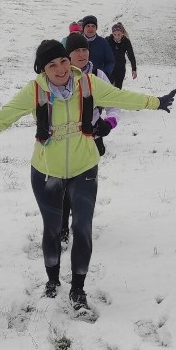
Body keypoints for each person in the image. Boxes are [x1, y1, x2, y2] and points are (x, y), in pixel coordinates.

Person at [0, 40, 176, 313]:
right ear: (42, 69)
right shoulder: (34, 91)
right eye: (52, 65)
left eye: (62, 61)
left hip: (84, 168)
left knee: (82, 228)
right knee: (52, 229)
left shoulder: (89, 83)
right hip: (47, 173)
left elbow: (123, 98)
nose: (60, 68)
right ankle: (52, 281)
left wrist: (157, 102)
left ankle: (78, 290)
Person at [60, 32, 119, 243]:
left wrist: (108, 123)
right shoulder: (59, 77)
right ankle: (62, 228)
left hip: (90, 138)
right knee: (64, 185)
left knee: (84, 185)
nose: (82, 54)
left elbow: (115, 103)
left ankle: (80, 224)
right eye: (77, 50)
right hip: (65, 141)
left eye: (85, 49)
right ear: (68, 54)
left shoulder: (98, 76)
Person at [106, 21, 137, 89]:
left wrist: (134, 69)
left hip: (120, 68)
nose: (117, 37)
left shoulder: (126, 42)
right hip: (109, 68)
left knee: (118, 88)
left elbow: (131, 55)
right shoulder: (108, 40)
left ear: (122, 33)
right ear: (112, 33)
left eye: (119, 34)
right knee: (108, 87)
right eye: (115, 34)